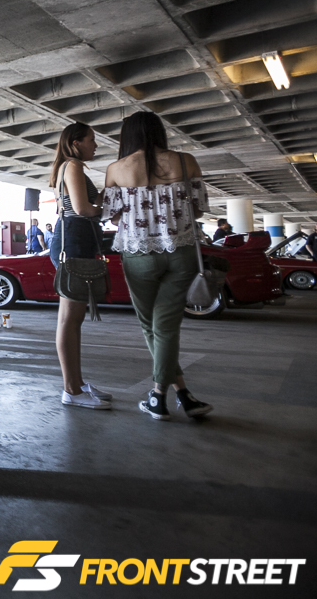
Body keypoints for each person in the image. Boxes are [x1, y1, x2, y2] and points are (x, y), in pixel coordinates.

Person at [103, 111, 214, 421]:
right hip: (182, 252)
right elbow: (199, 210)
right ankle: (181, 395)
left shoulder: (116, 169)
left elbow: (113, 218)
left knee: (150, 325)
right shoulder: (185, 161)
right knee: (166, 326)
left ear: (128, 136)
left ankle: (158, 396)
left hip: (138, 253)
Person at [50, 122, 110, 410]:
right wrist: (109, 209)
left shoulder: (69, 166)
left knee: (72, 320)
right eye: (91, 140)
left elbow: (89, 203)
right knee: (69, 320)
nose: (95, 145)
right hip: (73, 240)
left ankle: (76, 383)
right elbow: (83, 209)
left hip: (75, 240)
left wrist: (109, 190)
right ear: (75, 143)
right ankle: (71, 390)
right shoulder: (72, 165)